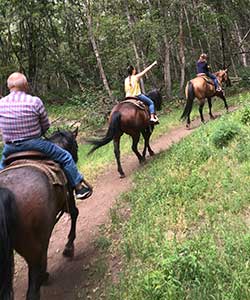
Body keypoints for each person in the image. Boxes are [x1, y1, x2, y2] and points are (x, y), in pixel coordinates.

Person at [0, 72, 92, 200]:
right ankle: (79, 187)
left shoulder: (1, 103)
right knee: (65, 157)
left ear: (9, 86)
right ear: (25, 86)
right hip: (35, 145)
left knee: (1, 170)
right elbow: (46, 125)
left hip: (10, 148)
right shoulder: (34, 101)